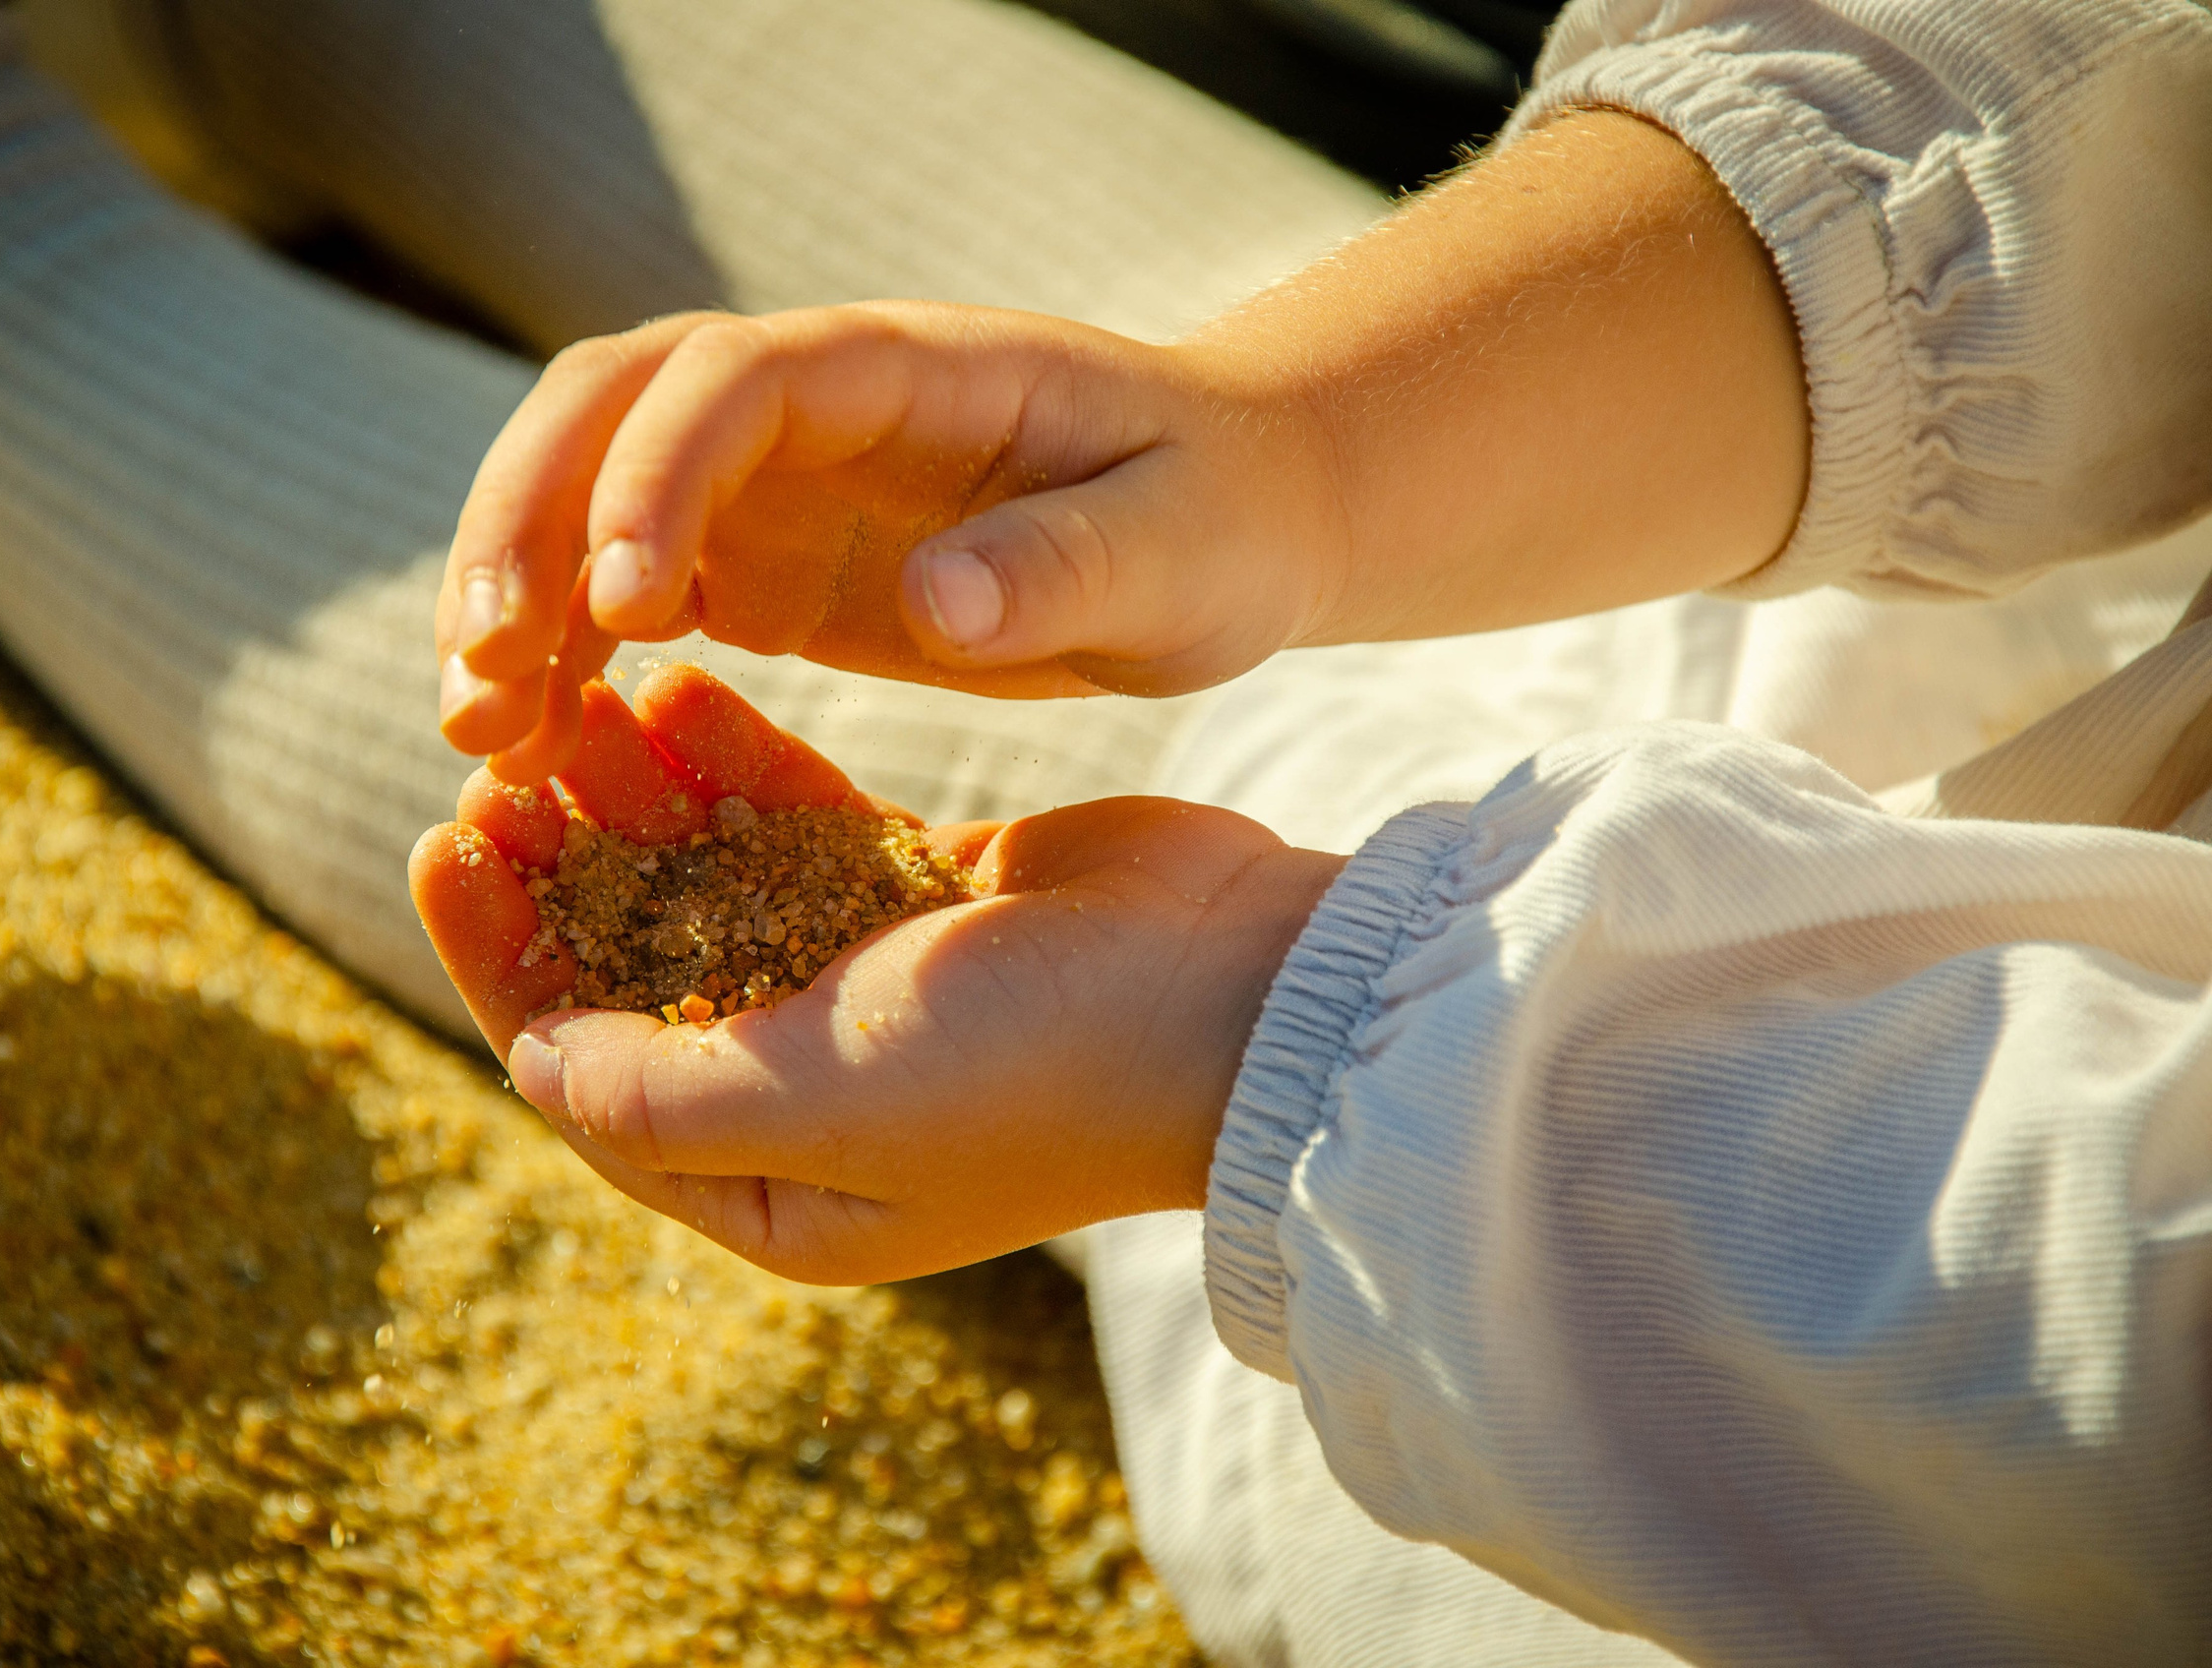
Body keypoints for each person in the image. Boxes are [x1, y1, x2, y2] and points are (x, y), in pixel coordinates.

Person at [408, 0, 2212, 1663]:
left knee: (668, 718)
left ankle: (113, 266)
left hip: (1583, 1333)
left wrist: (1251, 1039)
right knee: (939, 431)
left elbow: (2106, 1327)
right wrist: (1298, 445)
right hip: (1946, 641)